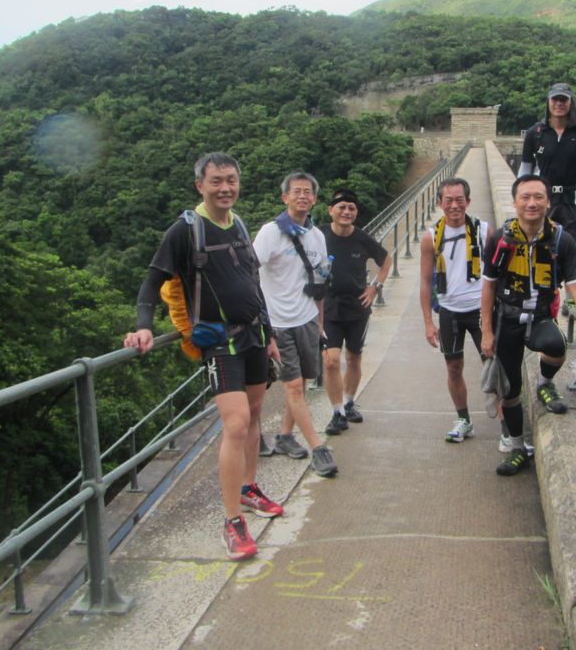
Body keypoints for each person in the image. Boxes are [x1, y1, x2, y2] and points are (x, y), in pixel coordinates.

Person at [124, 153, 282, 562]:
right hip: (219, 341)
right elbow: (151, 283)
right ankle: (232, 521)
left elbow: (252, 281)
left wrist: (269, 334)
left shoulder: (238, 223)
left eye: (231, 180)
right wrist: (143, 326)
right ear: (200, 185)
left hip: (254, 335)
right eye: (216, 181)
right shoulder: (184, 230)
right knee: (236, 423)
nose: (225, 188)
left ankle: (248, 488)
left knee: (255, 414)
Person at [481, 175, 576, 476]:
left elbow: (575, 284)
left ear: (548, 202)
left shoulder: (560, 240)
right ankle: (518, 448)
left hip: (540, 315)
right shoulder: (500, 239)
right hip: (507, 318)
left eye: (538, 197)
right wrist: (487, 332)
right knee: (510, 388)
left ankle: (544, 383)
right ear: (515, 202)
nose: (532, 203)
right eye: (525, 197)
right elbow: (487, 287)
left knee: (556, 346)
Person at [252, 171, 338, 478]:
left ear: (314, 199)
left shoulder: (317, 236)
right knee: (293, 386)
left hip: (307, 319)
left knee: (301, 382)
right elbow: (249, 274)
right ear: (285, 197)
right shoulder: (270, 233)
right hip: (278, 323)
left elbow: (320, 283)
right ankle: (318, 448)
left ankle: (285, 436)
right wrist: (263, 327)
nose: (302, 196)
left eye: (307, 192)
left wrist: (320, 323)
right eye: (296, 191)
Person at [419, 177, 493, 443]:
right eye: (448, 200)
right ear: (440, 203)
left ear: (468, 202)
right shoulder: (430, 238)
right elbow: (425, 282)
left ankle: (508, 427)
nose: (454, 206)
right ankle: (464, 420)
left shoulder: (484, 231)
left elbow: (498, 274)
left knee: (492, 366)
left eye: (459, 200)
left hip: (480, 310)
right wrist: (428, 322)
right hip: (449, 310)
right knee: (453, 367)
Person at [319, 189, 392, 434]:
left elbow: (386, 261)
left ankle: (348, 402)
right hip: (328, 307)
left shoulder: (362, 238)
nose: (347, 212)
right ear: (331, 210)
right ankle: (337, 412)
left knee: (353, 358)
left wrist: (375, 287)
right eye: (342, 207)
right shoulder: (318, 235)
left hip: (358, 308)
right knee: (331, 361)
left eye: (351, 208)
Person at [518, 83, 576, 243]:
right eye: (555, 99)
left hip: (572, 201)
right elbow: (526, 167)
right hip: (543, 200)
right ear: (548, 102)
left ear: (571, 103)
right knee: (540, 248)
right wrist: (520, 197)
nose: (559, 104)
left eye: (563, 100)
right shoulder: (535, 133)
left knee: (568, 248)